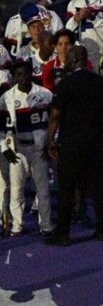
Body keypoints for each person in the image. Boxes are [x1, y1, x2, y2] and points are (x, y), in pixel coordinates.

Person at [45, 45, 103, 245]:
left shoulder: (65, 84)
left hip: (71, 144)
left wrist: (50, 140)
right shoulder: (99, 82)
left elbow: (55, 116)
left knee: (67, 190)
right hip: (97, 143)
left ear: (74, 59)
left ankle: (63, 234)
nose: (65, 62)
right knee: (98, 187)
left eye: (68, 58)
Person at [0, 60, 53, 237]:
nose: (23, 78)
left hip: (39, 149)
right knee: (16, 188)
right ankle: (17, 224)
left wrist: (50, 143)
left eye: (26, 73)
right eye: (19, 74)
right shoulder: (6, 98)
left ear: (32, 74)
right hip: (17, 149)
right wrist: (5, 148)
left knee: (42, 188)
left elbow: (54, 122)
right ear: (14, 77)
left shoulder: (45, 95)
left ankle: (46, 224)